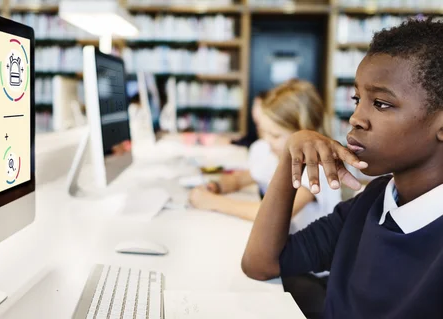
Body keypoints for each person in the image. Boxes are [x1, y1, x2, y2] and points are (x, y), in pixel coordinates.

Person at [242, 18, 443, 319]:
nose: (356, 118)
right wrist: (290, 158)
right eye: (357, 99)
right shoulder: (373, 200)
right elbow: (261, 264)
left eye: (381, 104)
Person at [189, 79, 340, 234]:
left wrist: (212, 202)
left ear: (304, 133)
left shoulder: (317, 168)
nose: (267, 141)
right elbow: (242, 179)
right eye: (264, 131)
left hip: (313, 253)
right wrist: (218, 186)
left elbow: (272, 216)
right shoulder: (276, 154)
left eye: (275, 135)